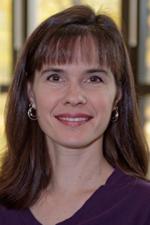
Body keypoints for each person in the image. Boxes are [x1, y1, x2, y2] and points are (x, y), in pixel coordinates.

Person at [0, 4, 150, 225]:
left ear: (117, 95)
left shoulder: (143, 207)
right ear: (30, 93)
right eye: (55, 77)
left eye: (93, 79)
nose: (74, 96)